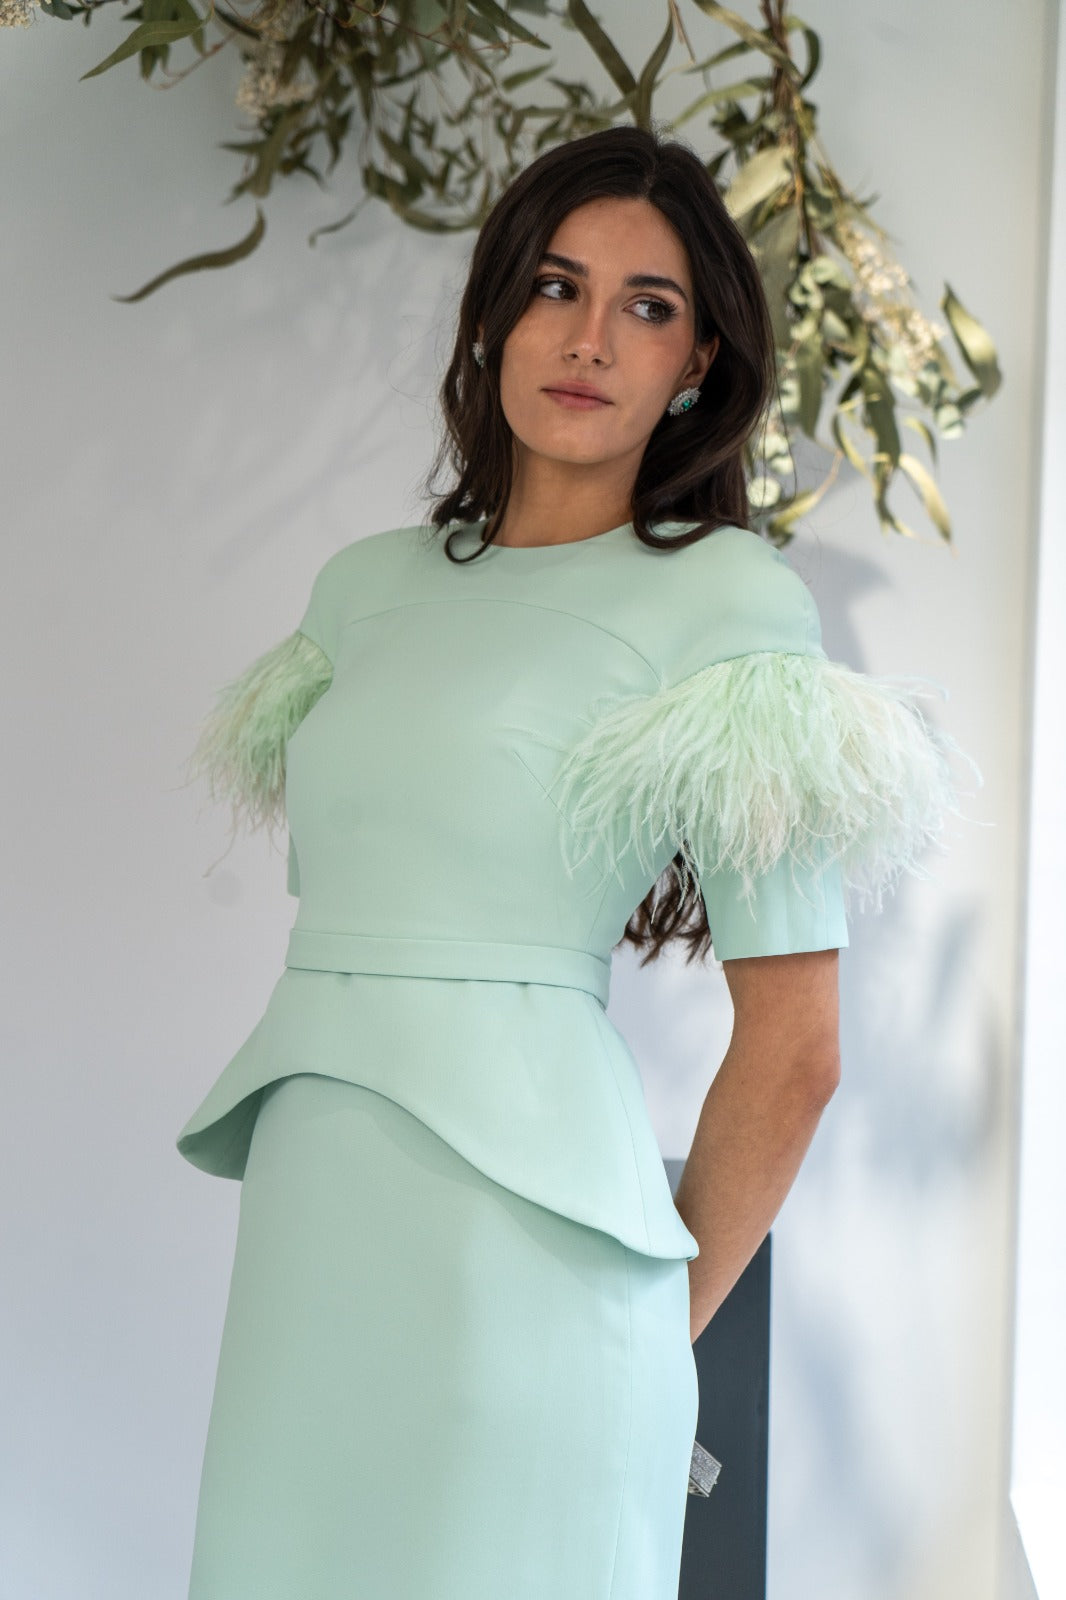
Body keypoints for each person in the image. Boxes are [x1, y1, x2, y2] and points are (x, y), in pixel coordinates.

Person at [178, 124, 970, 1599]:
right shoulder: (362, 589)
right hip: (309, 1236)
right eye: (555, 286)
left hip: (536, 1272)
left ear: (698, 364)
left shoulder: (726, 601)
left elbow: (796, 1048)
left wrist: (644, 1329)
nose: (591, 337)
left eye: (647, 307)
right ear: (494, 316)